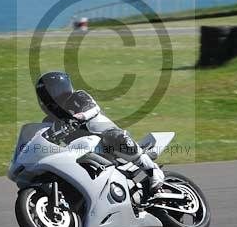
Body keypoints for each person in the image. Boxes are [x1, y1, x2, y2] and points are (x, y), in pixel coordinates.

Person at [35, 71, 165, 191]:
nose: (48, 98)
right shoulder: (49, 120)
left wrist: (78, 117)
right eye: (44, 95)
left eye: (50, 92)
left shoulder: (78, 97)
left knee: (113, 137)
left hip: (103, 139)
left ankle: (153, 171)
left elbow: (93, 108)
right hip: (81, 151)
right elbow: (43, 138)